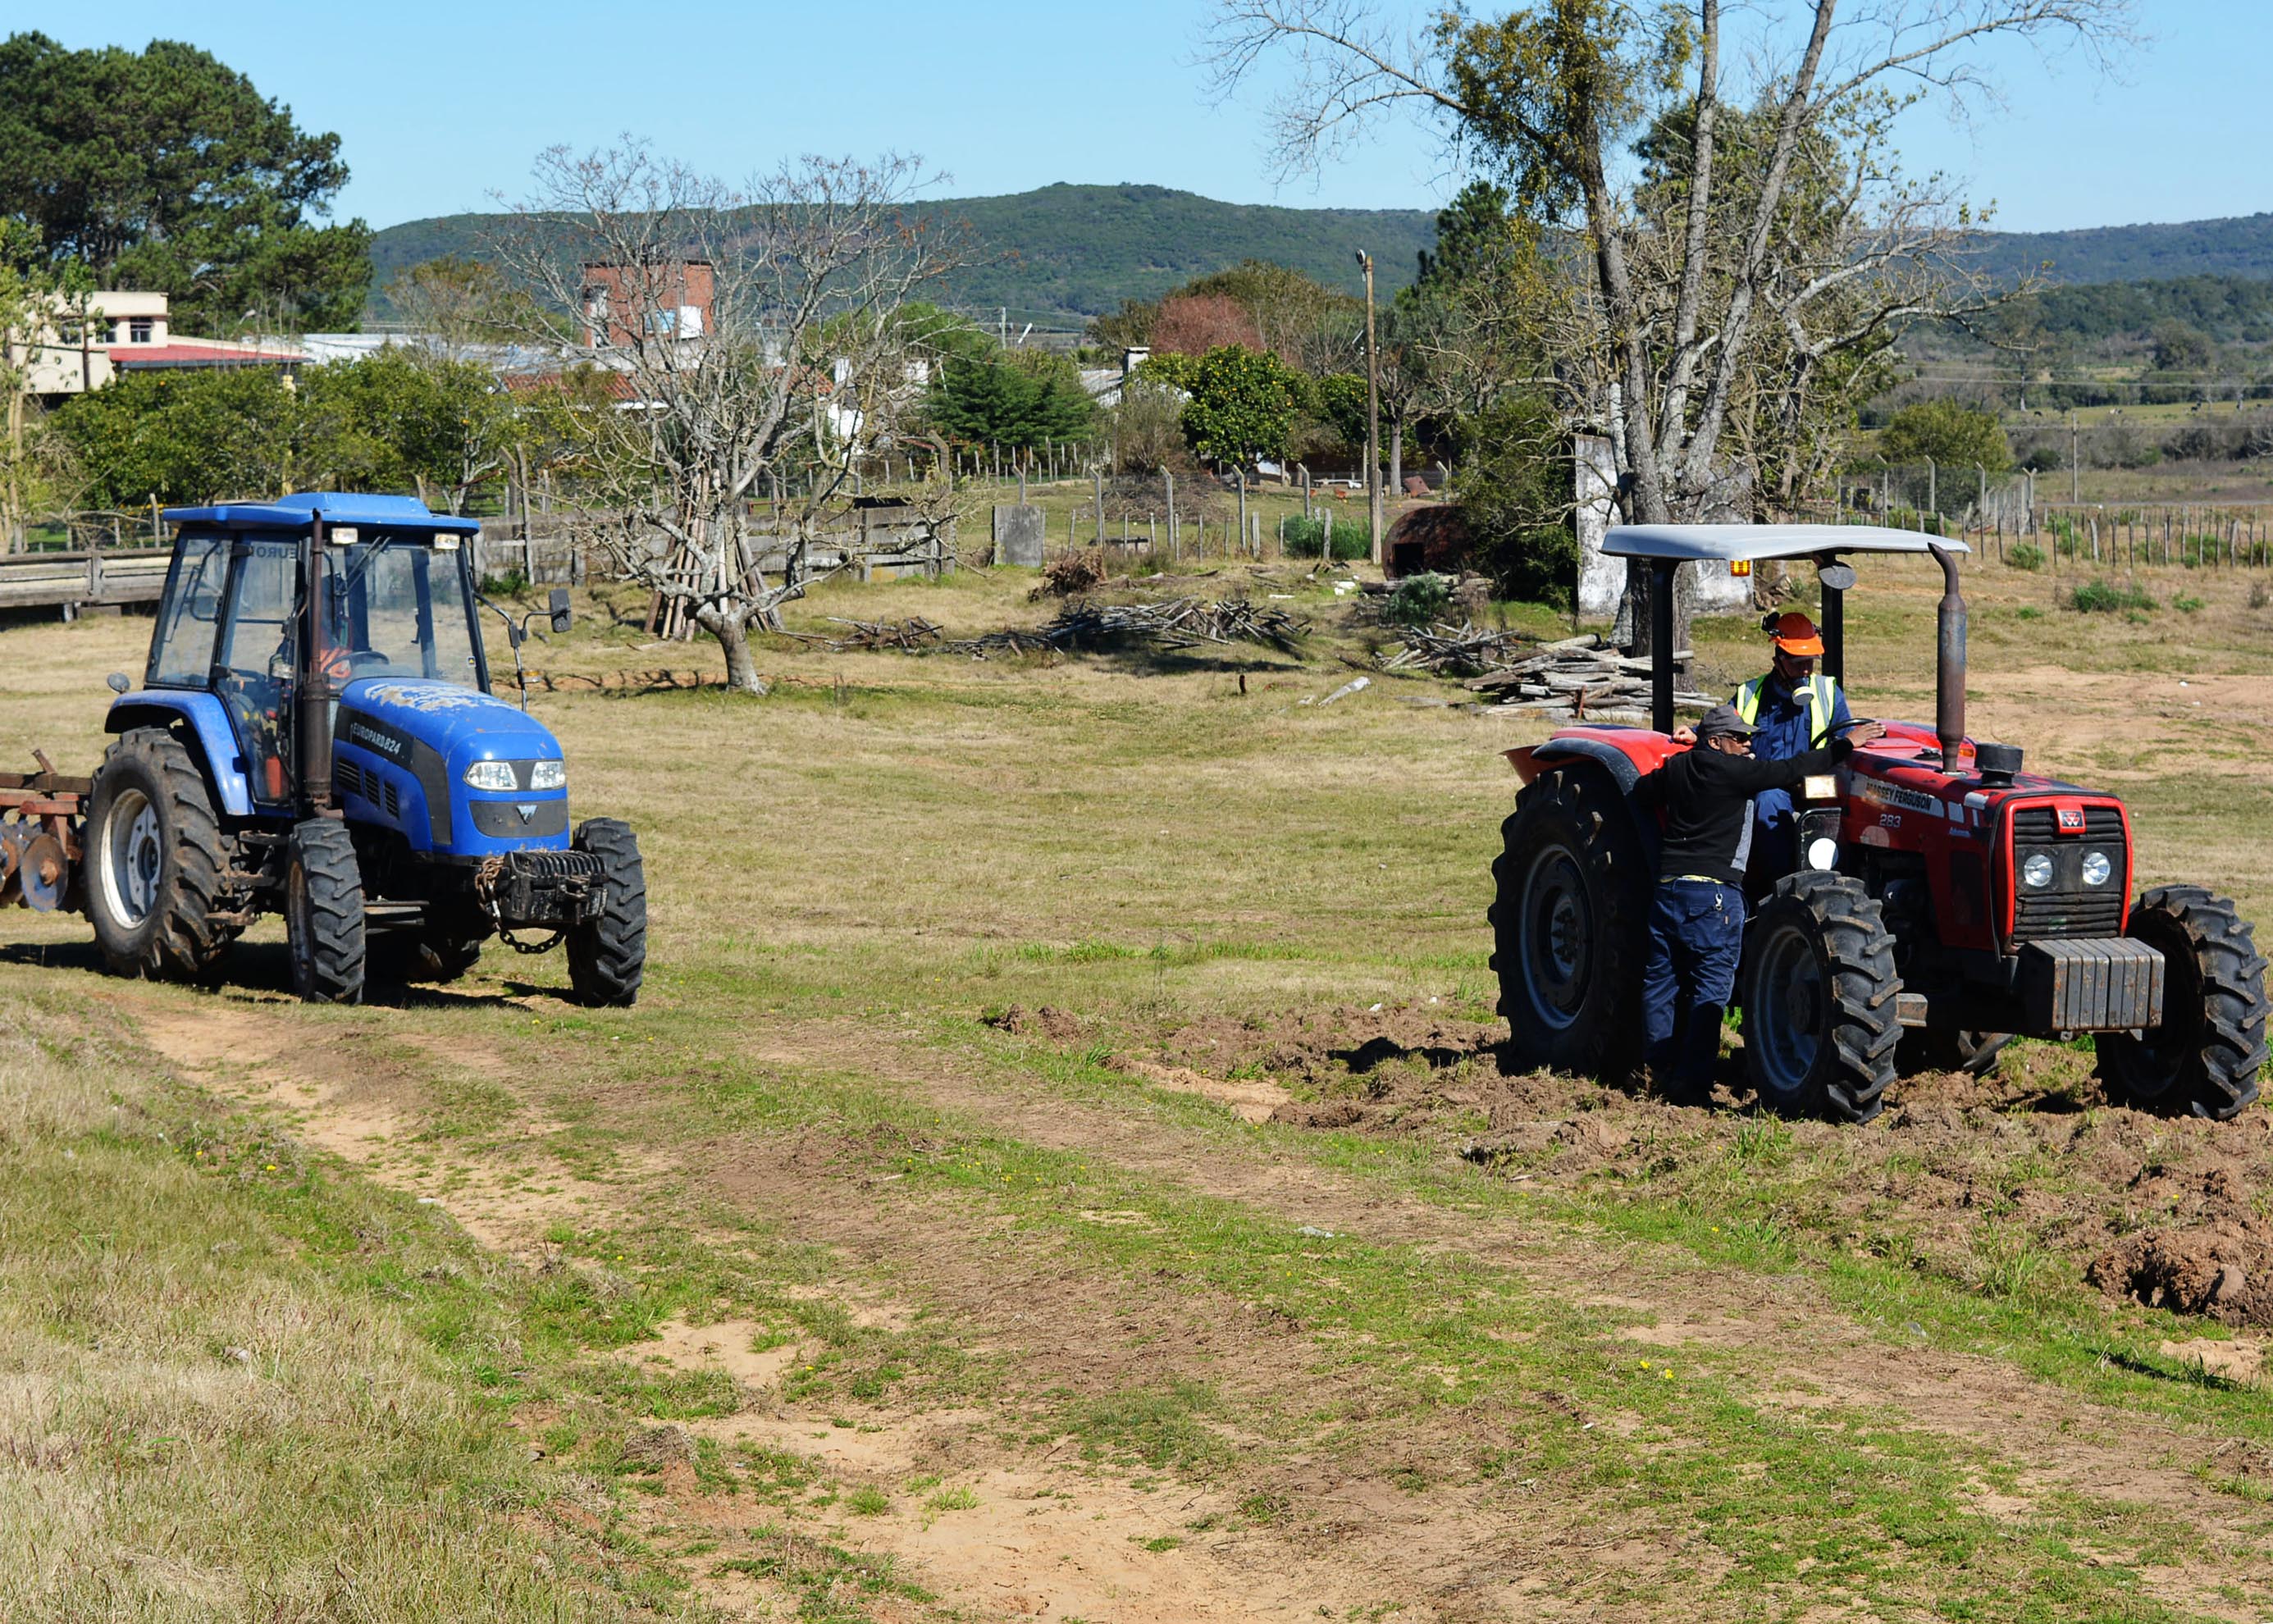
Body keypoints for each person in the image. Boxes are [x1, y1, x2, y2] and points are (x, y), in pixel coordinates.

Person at [1632, 703, 1884, 1097]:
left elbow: (1643, 791)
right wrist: (1845, 745)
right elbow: (1793, 768)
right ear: (1716, 742)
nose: (1747, 743)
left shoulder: (1678, 768)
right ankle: (1692, 1082)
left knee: (1661, 982)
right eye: (1738, 738)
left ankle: (1657, 1068)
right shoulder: (1736, 773)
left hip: (1669, 890)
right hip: (1715, 895)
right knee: (1711, 989)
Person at [1673, 611, 1852, 879]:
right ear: (1778, 660)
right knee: (1769, 802)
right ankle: (1779, 885)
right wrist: (1697, 732)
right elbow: (1725, 724)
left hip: (1815, 786)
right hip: (1768, 783)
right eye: (1798, 663)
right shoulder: (1751, 694)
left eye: (1810, 662)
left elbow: (1845, 736)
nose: (1805, 670)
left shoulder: (1828, 693)